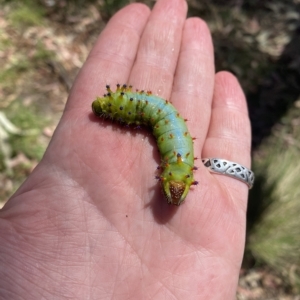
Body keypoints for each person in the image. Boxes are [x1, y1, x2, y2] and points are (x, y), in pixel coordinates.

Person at [0, 0, 252, 299]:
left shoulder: (156, 131)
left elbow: (159, 117)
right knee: (164, 118)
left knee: (164, 118)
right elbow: (162, 117)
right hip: (174, 149)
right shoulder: (169, 146)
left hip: (172, 145)